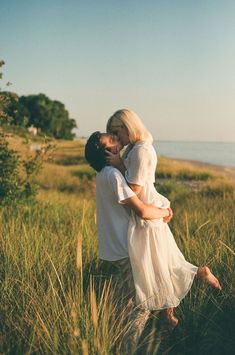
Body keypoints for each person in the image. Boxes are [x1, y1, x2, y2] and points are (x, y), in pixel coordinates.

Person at [106, 109, 222, 328]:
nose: (115, 137)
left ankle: (197, 276)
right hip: (147, 212)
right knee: (161, 263)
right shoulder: (135, 148)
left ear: (128, 126)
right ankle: (168, 316)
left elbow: (133, 189)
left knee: (155, 266)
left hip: (146, 216)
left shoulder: (141, 150)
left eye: (116, 131)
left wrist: (118, 165)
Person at [84, 131, 173, 353]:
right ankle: (128, 349)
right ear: (107, 152)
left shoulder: (102, 175)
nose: (116, 139)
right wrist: (165, 211)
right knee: (142, 303)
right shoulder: (113, 176)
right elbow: (142, 210)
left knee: (124, 302)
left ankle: (115, 341)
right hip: (127, 248)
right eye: (111, 141)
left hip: (113, 249)